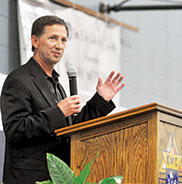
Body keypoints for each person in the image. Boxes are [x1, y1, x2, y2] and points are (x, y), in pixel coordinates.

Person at [0, 15, 125, 184]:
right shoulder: (19, 79)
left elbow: (72, 131)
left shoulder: (57, 85)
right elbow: (15, 129)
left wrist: (100, 101)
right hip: (30, 179)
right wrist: (58, 112)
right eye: (53, 38)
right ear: (35, 41)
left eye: (64, 40)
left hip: (59, 179)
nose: (59, 45)